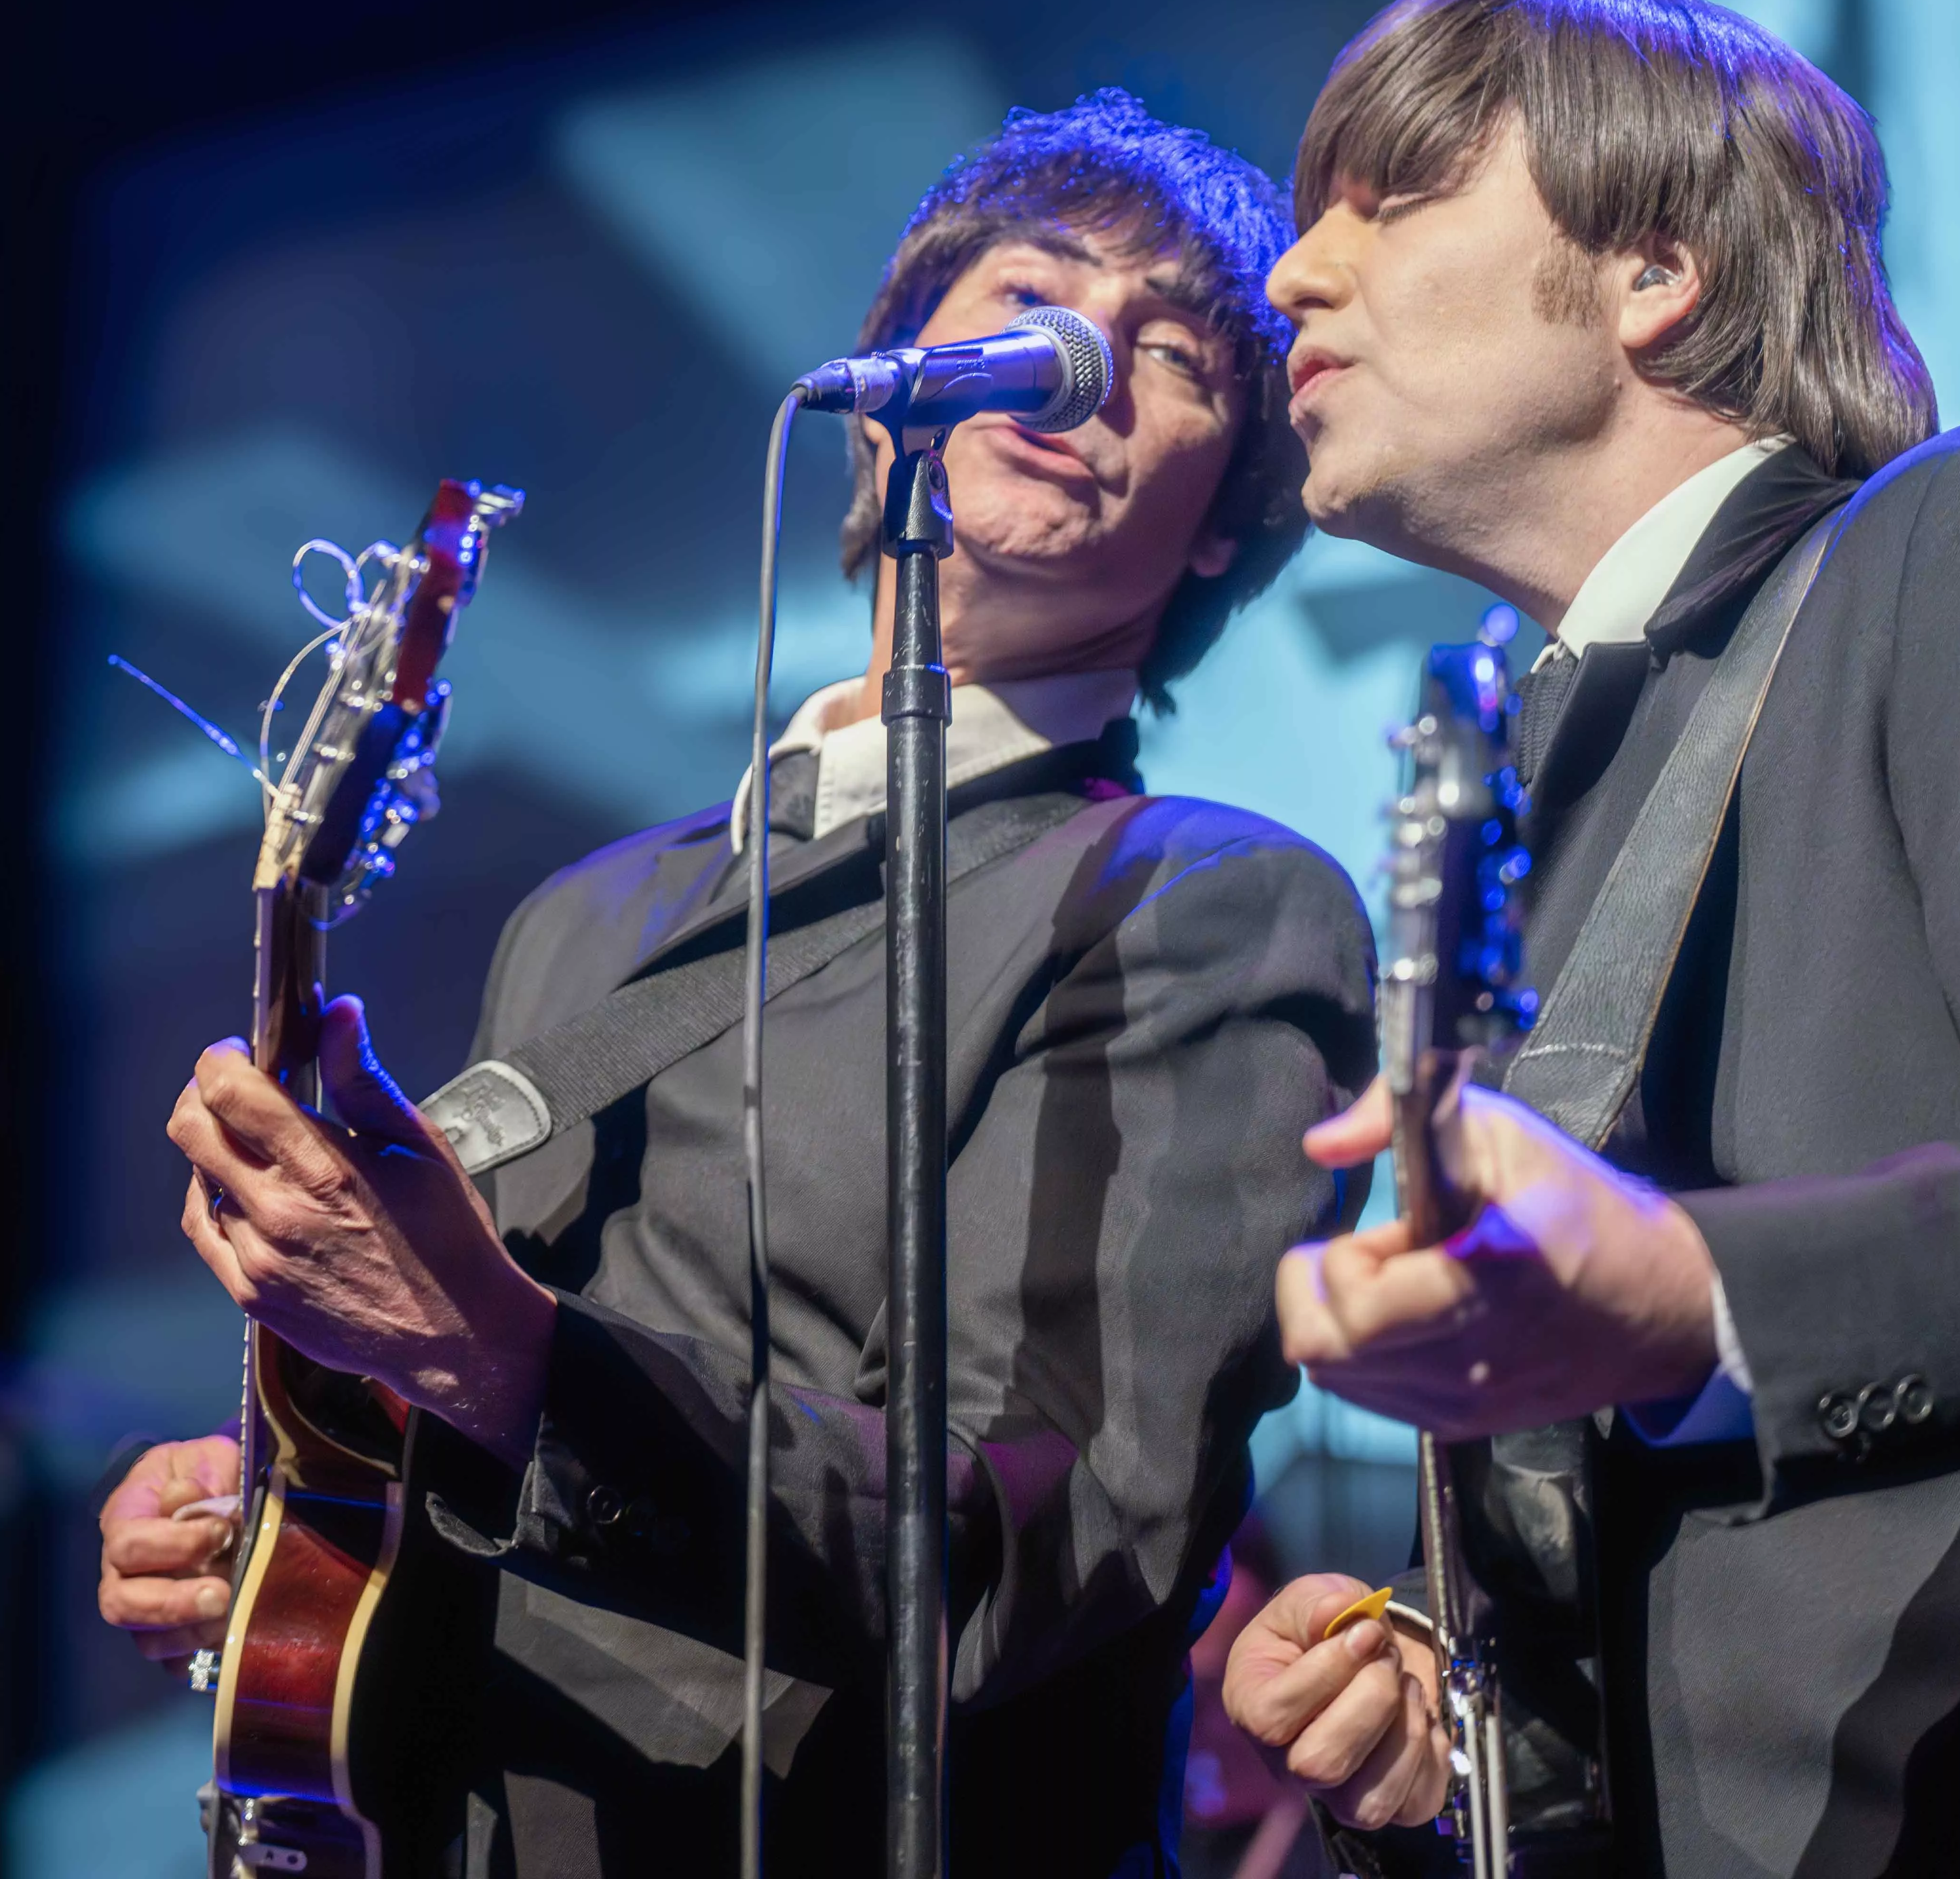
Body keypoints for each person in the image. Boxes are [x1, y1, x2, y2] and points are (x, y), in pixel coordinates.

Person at [100, 90, 1379, 1874]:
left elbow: (1077, 1535)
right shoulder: (590, 917)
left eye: (1169, 358)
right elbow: (483, 1443)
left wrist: (505, 1363)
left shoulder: (1216, 904)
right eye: (1031, 296)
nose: (1076, 362)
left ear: (1226, 525)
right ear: (879, 389)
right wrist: (296, 1516)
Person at [1220, 0, 1960, 1877]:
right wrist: (1445, 1698)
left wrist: (1702, 1298)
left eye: (1384, 200)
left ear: (1657, 275)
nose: (1292, 276)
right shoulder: (1515, 798)